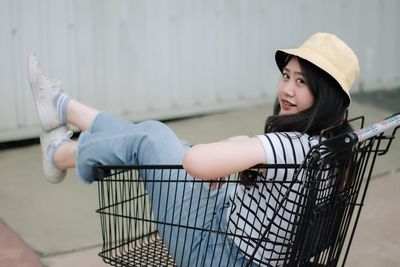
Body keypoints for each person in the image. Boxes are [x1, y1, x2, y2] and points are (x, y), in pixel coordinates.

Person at [28, 32, 359, 267]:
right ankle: (64, 109)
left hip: (217, 253)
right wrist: (240, 157)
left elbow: (196, 162)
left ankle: (60, 153)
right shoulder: (333, 145)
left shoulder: (289, 146)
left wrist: (241, 146)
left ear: (325, 93)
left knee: (153, 139)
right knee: (162, 145)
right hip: (229, 224)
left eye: (301, 82)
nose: (286, 89)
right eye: (286, 75)